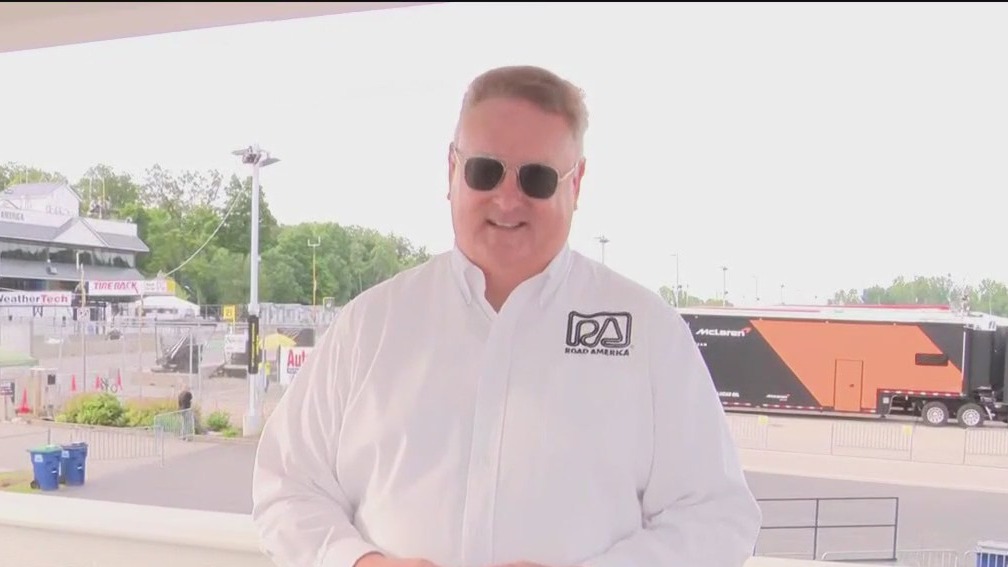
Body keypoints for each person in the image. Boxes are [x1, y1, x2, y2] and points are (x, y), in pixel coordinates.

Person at [251, 65, 762, 567]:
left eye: (537, 179)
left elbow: (716, 517)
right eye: (485, 171)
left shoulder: (649, 332)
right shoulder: (369, 326)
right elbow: (287, 488)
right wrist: (359, 562)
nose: (507, 199)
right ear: (451, 170)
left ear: (577, 184)